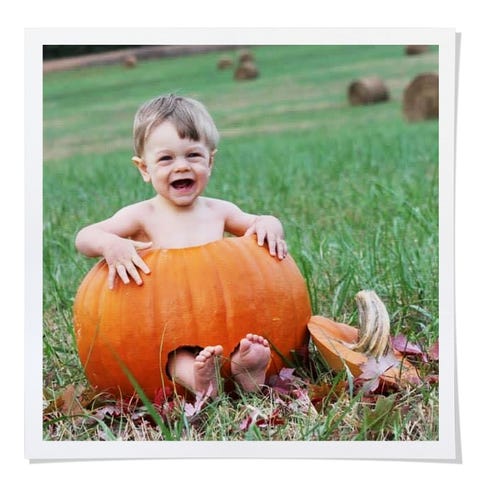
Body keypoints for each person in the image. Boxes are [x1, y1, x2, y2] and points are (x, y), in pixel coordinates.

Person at [75, 94, 288, 398]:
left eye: (193, 155)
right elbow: (84, 237)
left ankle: (246, 369)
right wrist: (110, 244)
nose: (181, 166)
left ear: (210, 161)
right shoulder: (141, 214)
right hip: (167, 324)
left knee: (247, 344)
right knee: (177, 358)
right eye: (166, 158)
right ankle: (200, 381)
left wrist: (269, 224)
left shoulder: (219, 210)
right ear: (144, 169)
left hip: (224, 313)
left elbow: (258, 223)